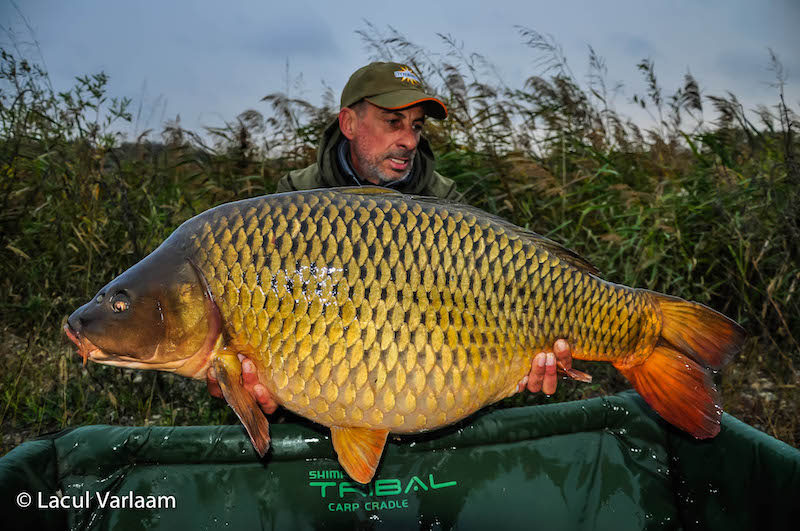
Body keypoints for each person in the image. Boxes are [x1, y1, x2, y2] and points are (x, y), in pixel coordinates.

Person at [207, 62, 575, 414]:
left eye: (417, 126)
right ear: (349, 123)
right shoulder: (294, 199)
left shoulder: (444, 202)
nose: (409, 140)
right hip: (326, 388)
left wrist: (520, 361)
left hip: (424, 387)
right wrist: (256, 385)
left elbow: (489, 306)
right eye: (393, 122)